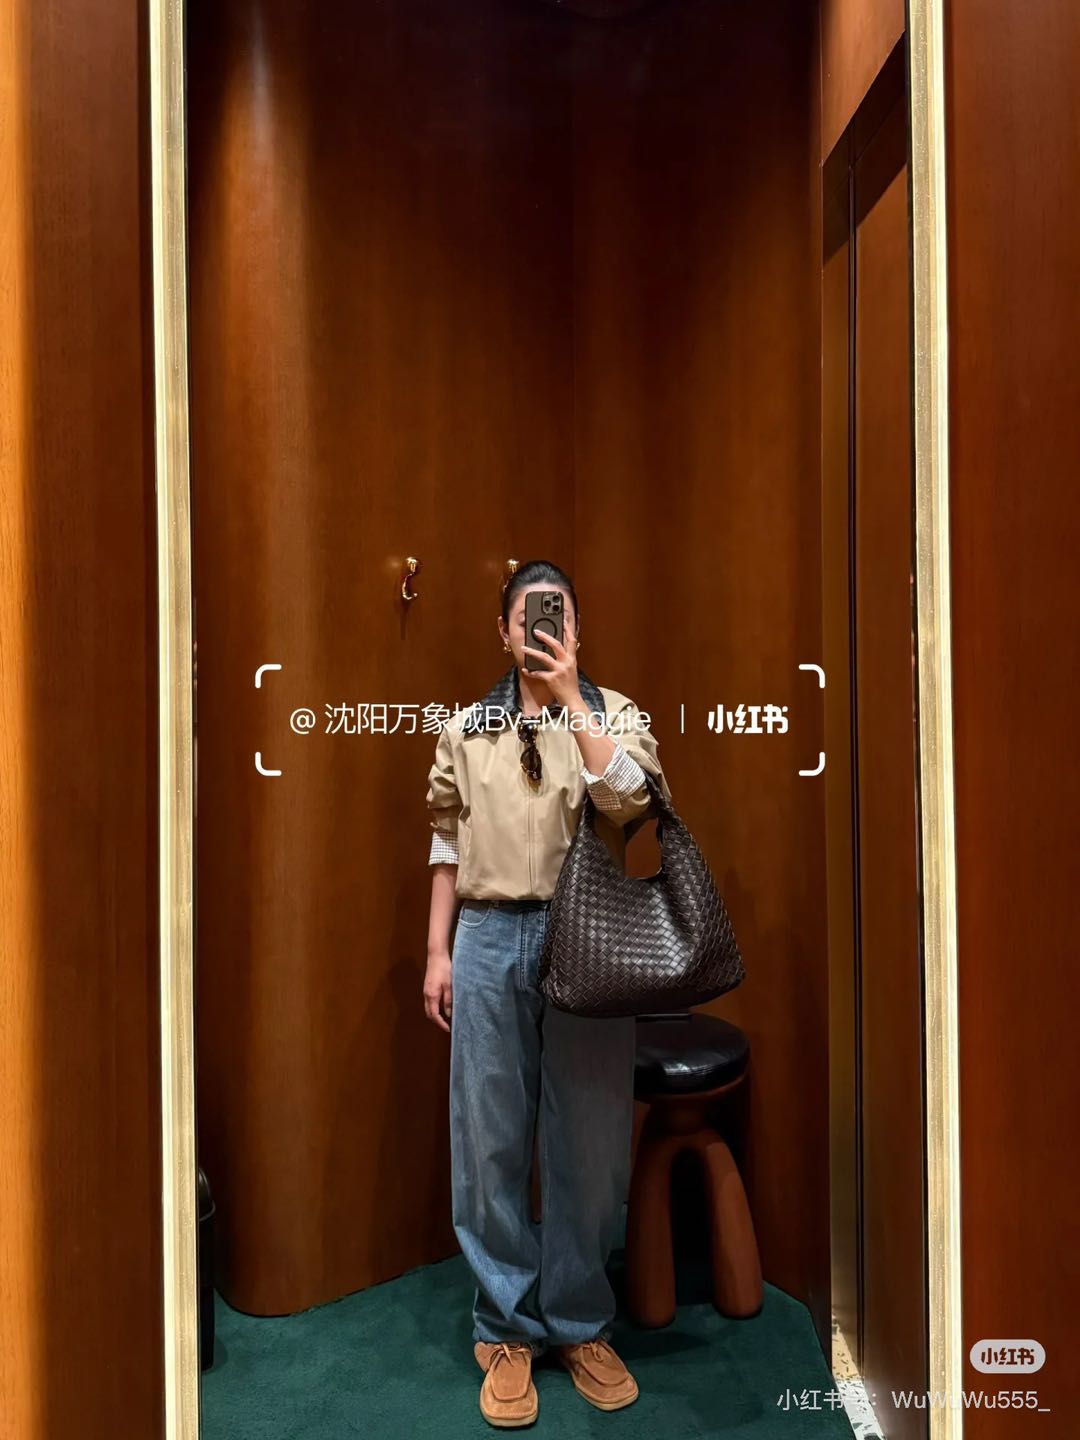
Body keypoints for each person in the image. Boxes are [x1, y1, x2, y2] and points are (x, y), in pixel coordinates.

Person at [422, 560, 672, 1428]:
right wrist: (437, 951)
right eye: (528, 617)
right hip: (488, 936)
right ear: (503, 632)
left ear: (576, 628)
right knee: (486, 1137)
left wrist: (572, 702)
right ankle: (504, 1329)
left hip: (586, 937)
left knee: (592, 1142)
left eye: (557, 616)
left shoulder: (614, 714)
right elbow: (446, 840)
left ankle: (579, 1319)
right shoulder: (465, 729)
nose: (542, 630)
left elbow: (633, 802)